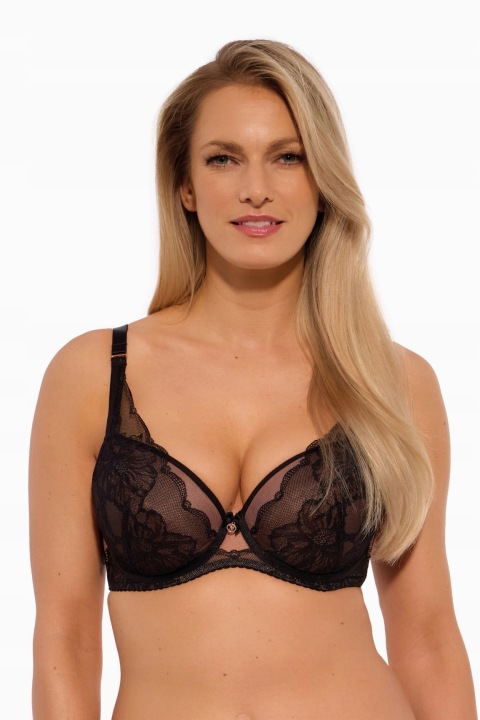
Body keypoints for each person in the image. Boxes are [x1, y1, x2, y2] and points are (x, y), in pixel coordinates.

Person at [29, 39, 477, 720]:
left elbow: (428, 640)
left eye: (287, 157)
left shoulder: (393, 382)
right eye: (223, 158)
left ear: (322, 178)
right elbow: (65, 640)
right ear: (185, 186)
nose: (256, 188)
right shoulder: (95, 372)